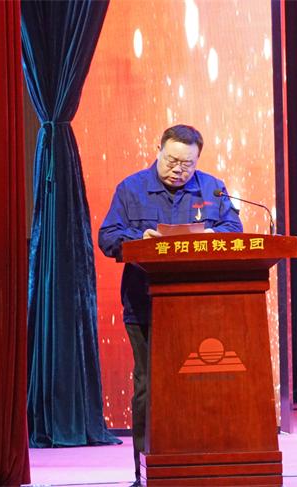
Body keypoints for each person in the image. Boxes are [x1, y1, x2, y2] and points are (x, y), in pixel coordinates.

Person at [98, 124, 243, 484]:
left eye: (187, 164)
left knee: (200, 383)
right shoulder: (131, 189)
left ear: (198, 161)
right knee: (148, 387)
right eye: (172, 161)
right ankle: (145, 471)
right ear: (159, 151)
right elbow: (107, 236)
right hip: (145, 307)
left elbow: (234, 229)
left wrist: (211, 234)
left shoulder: (213, 188)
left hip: (201, 309)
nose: (178, 170)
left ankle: (199, 467)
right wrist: (139, 239)